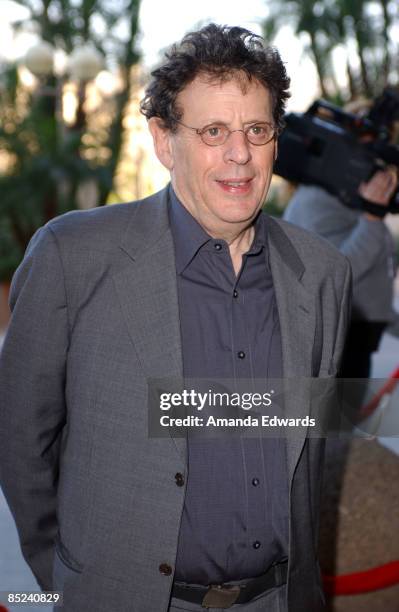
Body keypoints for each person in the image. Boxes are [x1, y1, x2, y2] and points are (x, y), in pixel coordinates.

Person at [0, 24, 351, 612]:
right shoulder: (72, 256)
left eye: (256, 130)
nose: (239, 153)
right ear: (164, 141)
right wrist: (69, 578)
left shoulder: (323, 274)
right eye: (213, 131)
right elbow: (20, 438)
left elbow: (308, 455)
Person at [284, 107, 398, 379]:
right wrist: (372, 218)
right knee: (333, 423)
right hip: (334, 341)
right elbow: (335, 272)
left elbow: (369, 291)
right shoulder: (317, 201)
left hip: (355, 338)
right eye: (364, 152)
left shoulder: (348, 195)